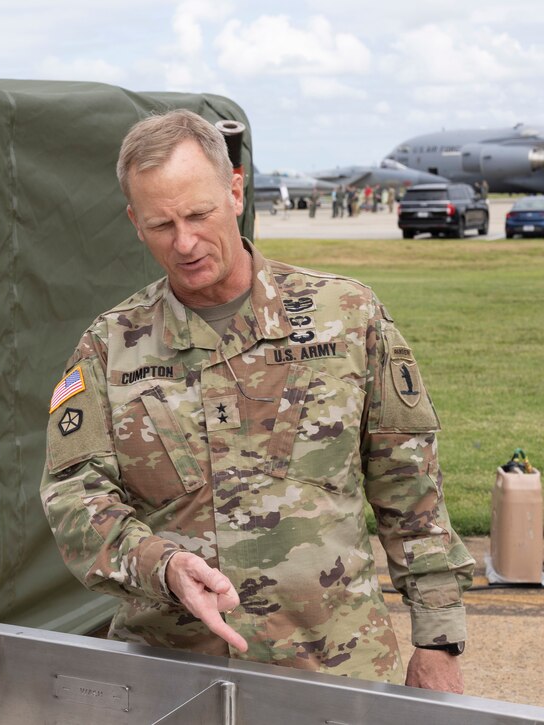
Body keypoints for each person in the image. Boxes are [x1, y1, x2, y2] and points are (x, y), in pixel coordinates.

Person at [40, 110, 473, 692]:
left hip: (332, 671)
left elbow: (409, 484)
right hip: (171, 673)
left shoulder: (346, 318)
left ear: (236, 190)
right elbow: (74, 498)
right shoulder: (109, 346)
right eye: (161, 224)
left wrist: (438, 639)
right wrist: (159, 565)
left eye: (199, 214)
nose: (186, 242)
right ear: (133, 223)